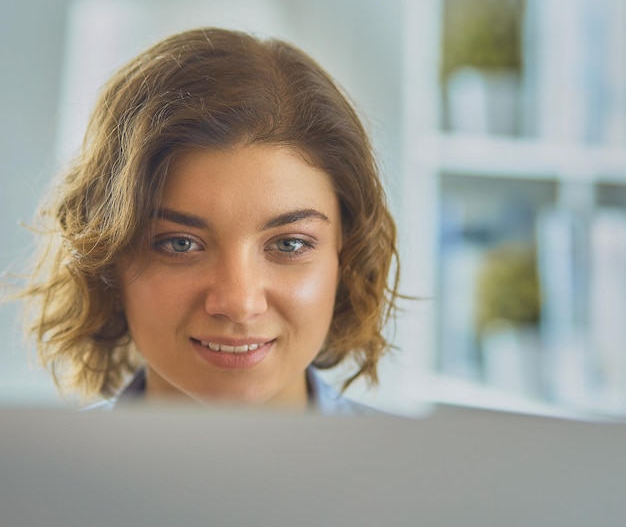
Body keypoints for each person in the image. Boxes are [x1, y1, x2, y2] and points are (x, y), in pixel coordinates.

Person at [20, 27, 400, 413]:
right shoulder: (27, 473)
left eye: (289, 244)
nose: (239, 303)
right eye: (179, 244)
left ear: (347, 255)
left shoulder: (422, 471)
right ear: (107, 256)